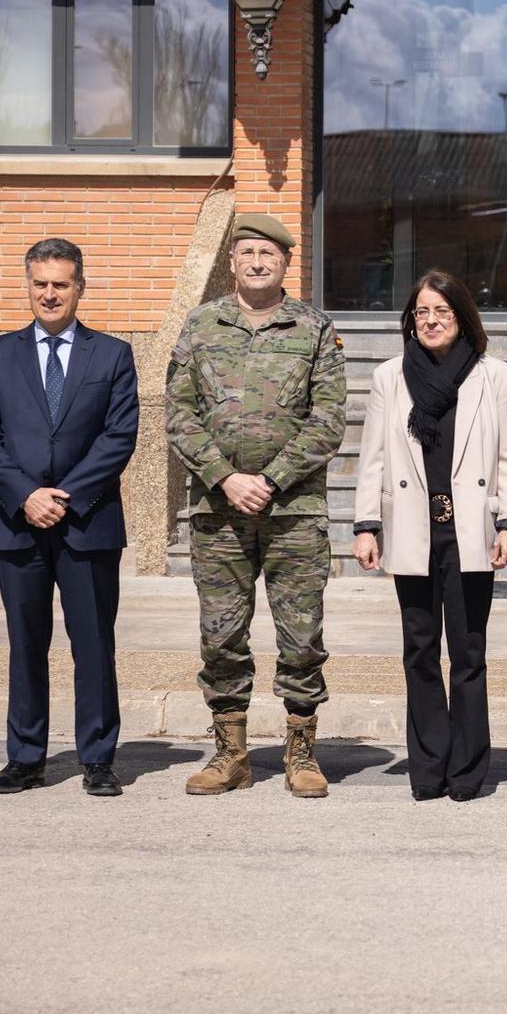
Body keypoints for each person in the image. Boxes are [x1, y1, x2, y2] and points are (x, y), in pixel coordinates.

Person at [166, 213, 346, 799]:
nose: (258, 262)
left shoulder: (314, 329)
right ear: (233, 262)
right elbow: (179, 413)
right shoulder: (200, 325)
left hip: (293, 513)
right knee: (221, 635)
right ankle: (231, 753)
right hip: (219, 513)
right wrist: (224, 478)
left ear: (286, 263)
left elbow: (328, 420)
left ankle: (301, 751)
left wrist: (268, 479)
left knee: (301, 636)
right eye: (247, 252)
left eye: (269, 253)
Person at [0, 239, 139, 797]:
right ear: (28, 285)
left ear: (79, 288)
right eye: (40, 283)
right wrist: (26, 496)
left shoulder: (111, 355)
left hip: (88, 522)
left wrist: (63, 495)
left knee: (93, 644)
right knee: (26, 642)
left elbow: (119, 437)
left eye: (60, 283)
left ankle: (97, 758)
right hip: (17, 522)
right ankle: (25, 757)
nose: (49, 293)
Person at [352, 271, 507, 801]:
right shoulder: (390, 377)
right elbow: (373, 456)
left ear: (462, 316)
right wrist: (365, 525)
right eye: (421, 313)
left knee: (469, 653)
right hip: (412, 528)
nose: (430, 321)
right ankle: (428, 766)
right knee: (419, 650)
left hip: (470, 529)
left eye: (441, 312)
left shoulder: (494, 375)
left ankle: (468, 769)